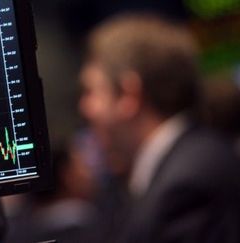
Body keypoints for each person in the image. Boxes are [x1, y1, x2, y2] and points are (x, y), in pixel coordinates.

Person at [80, 13, 240, 243]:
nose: (84, 108)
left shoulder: (187, 186)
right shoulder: (185, 161)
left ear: (129, 95)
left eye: (91, 92)